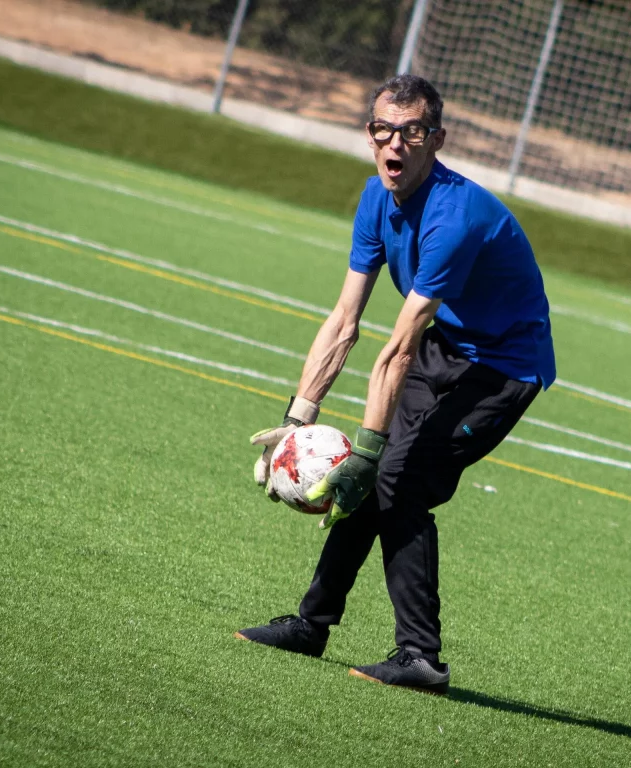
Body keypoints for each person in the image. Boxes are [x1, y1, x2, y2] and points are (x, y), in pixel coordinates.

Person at [236, 74, 556, 695]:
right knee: (366, 480)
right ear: (370, 134)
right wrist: (296, 425)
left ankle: (420, 659)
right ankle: (311, 624)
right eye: (384, 130)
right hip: (448, 346)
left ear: (436, 139)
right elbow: (344, 321)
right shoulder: (375, 198)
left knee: (395, 482)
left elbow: (400, 344)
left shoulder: (453, 217)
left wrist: (369, 447)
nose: (396, 144)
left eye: (412, 132)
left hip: (503, 368)